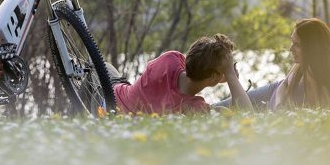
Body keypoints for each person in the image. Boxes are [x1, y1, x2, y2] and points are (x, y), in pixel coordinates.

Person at [107, 34, 253, 115]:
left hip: (112, 94)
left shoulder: (170, 59)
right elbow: (246, 116)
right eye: (229, 68)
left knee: (101, 66)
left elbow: (195, 67)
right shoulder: (193, 109)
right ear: (213, 77)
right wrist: (231, 77)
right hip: (115, 114)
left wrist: (222, 70)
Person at [214, 18, 330, 110]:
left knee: (232, 111)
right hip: (271, 93)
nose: (291, 48)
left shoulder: (322, 87)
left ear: (311, 48)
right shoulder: (300, 66)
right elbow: (284, 85)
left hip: (272, 104)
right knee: (218, 108)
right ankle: (195, 107)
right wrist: (278, 107)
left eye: (296, 45)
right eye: (292, 42)